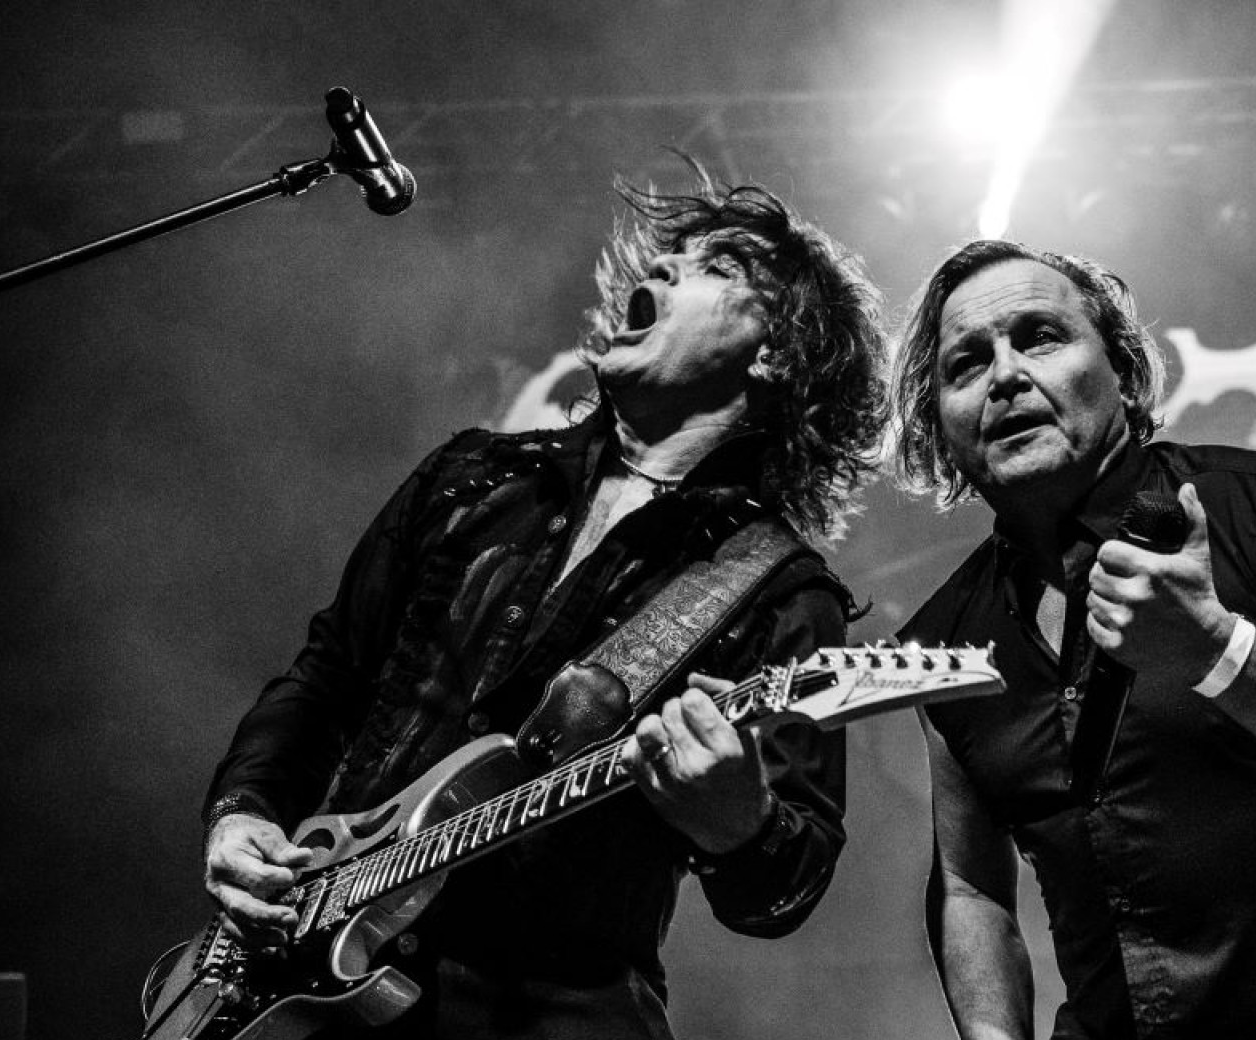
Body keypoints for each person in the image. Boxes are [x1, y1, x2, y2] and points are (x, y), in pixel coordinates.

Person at [198, 168, 888, 1038]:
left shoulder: (776, 591)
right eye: (667, 257)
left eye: (715, 267)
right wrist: (242, 813)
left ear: (775, 352)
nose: (669, 269)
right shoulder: (472, 480)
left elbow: (787, 886)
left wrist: (738, 822)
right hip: (310, 975)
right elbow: (327, 675)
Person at [889, 239, 1256, 1038]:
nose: (1006, 376)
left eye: (1040, 337)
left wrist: (1218, 652)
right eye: (966, 363)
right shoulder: (949, 638)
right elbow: (969, 887)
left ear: (1124, 373)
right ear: (939, 428)